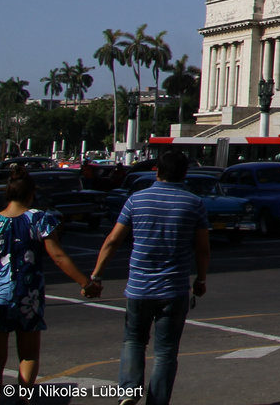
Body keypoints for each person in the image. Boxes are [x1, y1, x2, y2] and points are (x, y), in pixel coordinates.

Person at [91, 150, 209, 405]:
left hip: (139, 287)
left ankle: (130, 390)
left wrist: (96, 276)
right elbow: (202, 248)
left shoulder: (137, 200)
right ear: (185, 174)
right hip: (175, 288)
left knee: (134, 340)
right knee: (166, 352)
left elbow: (113, 240)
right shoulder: (194, 203)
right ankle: (157, 401)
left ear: (157, 171)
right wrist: (200, 279)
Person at [0, 165, 99, 389]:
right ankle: (24, 398)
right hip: (28, 295)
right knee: (29, 354)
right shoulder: (39, 219)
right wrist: (86, 283)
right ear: (31, 193)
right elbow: (58, 257)